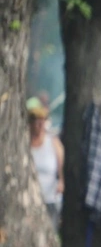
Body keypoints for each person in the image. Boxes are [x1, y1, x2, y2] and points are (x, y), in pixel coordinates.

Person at [27, 98, 63, 228]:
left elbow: (62, 170)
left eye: (41, 121)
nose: (39, 124)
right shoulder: (23, 144)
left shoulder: (53, 143)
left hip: (49, 199)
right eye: (35, 121)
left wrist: (61, 182)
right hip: (29, 200)